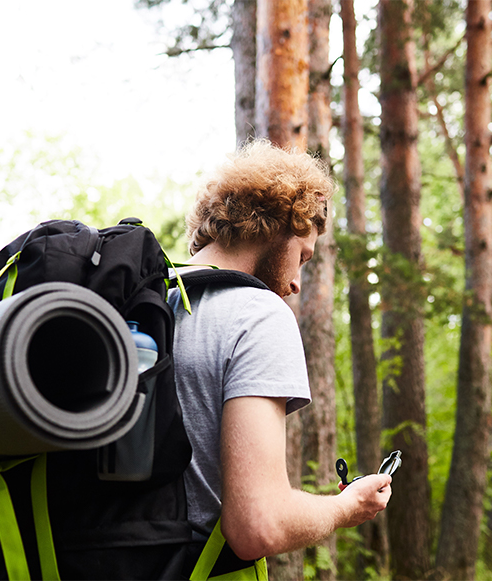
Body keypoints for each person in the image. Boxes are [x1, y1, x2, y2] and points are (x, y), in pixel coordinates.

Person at [168, 139, 391, 576]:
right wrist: (348, 506)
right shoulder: (257, 313)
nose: (296, 283)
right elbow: (258, 525)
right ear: (281, 222)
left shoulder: (149, 299)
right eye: (303, 257)